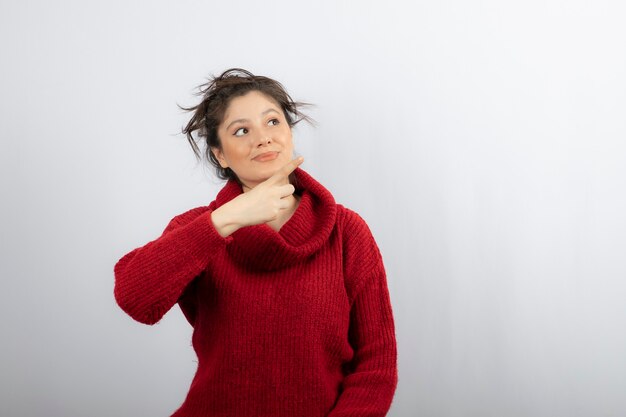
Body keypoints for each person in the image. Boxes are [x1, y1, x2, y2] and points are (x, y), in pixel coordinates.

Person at [113, 68, 398, 416]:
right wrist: (227, 218)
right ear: (220, 154)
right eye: (242, 130)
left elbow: (376, 367)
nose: (263, 138)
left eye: (273, 122)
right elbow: (134, 299)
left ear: (290, 134)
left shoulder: (346, 231)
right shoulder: (198, 229)